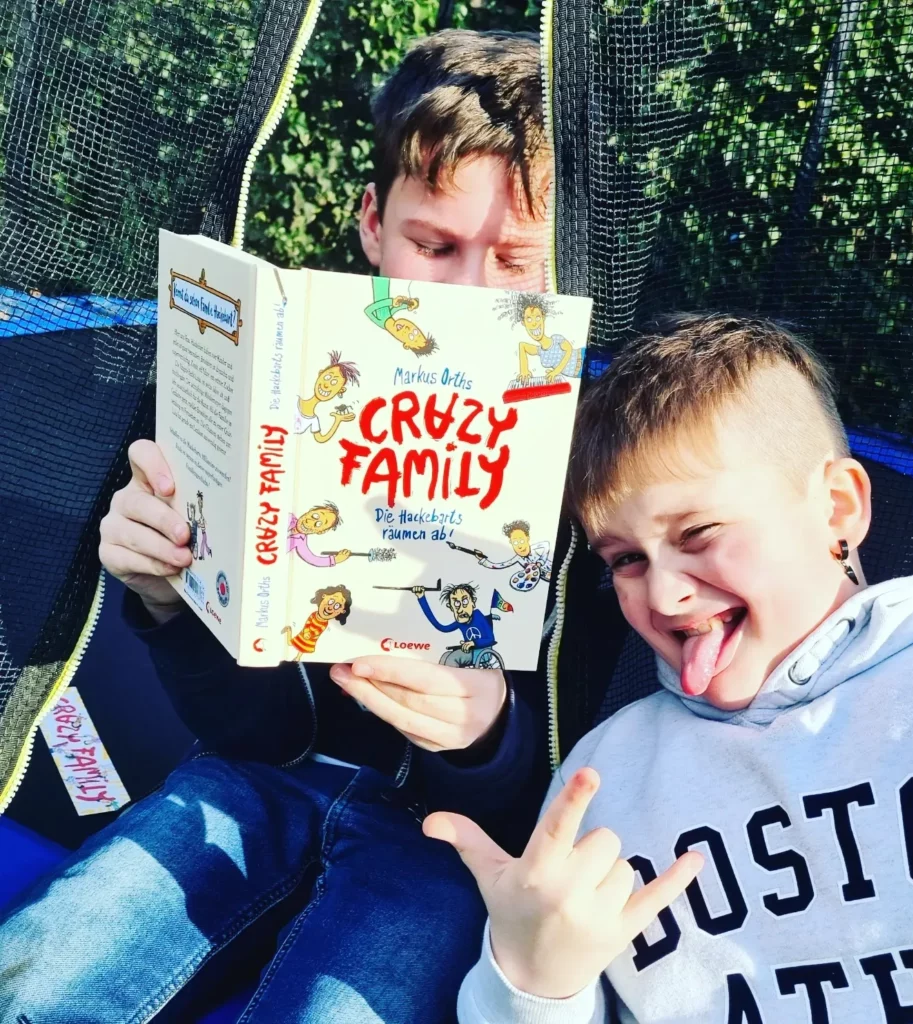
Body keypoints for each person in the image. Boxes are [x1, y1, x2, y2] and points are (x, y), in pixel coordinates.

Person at [0, 29, 550, 1024]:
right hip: (255, 780)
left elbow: (559, 796)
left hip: (450, 845)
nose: (467, 294)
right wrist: (168, 600)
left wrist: (486, 738)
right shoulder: (292, 389)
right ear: (373, 223)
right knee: (31, 979)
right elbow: (251, 731)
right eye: (433, 247)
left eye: (513, 260)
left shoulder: (590, 448)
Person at [430, 313, 913, 1023]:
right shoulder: (602, 779)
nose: (663, 595)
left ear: (836, 508)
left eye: (698, 534)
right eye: (625, 560)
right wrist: (535, 981)